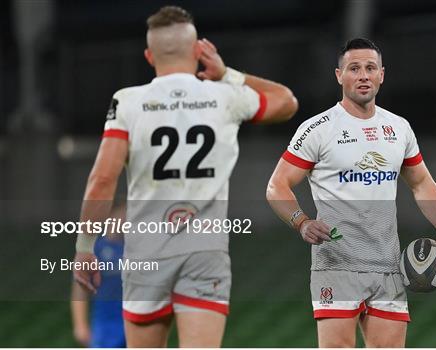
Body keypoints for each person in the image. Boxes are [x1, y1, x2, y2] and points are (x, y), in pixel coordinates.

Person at [73, 6, 298, 348]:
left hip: (146, 252)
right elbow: (286, 102)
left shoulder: (127, 102)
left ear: (149, 56)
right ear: (198, 51)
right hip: (203, 251)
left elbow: (102, 180)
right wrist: (228, 74)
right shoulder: (225, 96)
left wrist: (85, 247)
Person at [266, 38, 436, 348]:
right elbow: (277, 186)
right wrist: (301, 221)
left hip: (388, 265)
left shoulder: (399, 128)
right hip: (337, 263)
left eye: (370, 68)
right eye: (354, 68)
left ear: (382, 74)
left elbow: (422, 184)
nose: (363, 75)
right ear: (339, 75)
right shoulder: (318, 129)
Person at [71, 236, 125, 348]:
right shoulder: (94, 249)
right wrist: (80, 325)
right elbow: (80, 290)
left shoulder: (137, 247)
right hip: (104, 322)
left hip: (135, 316)